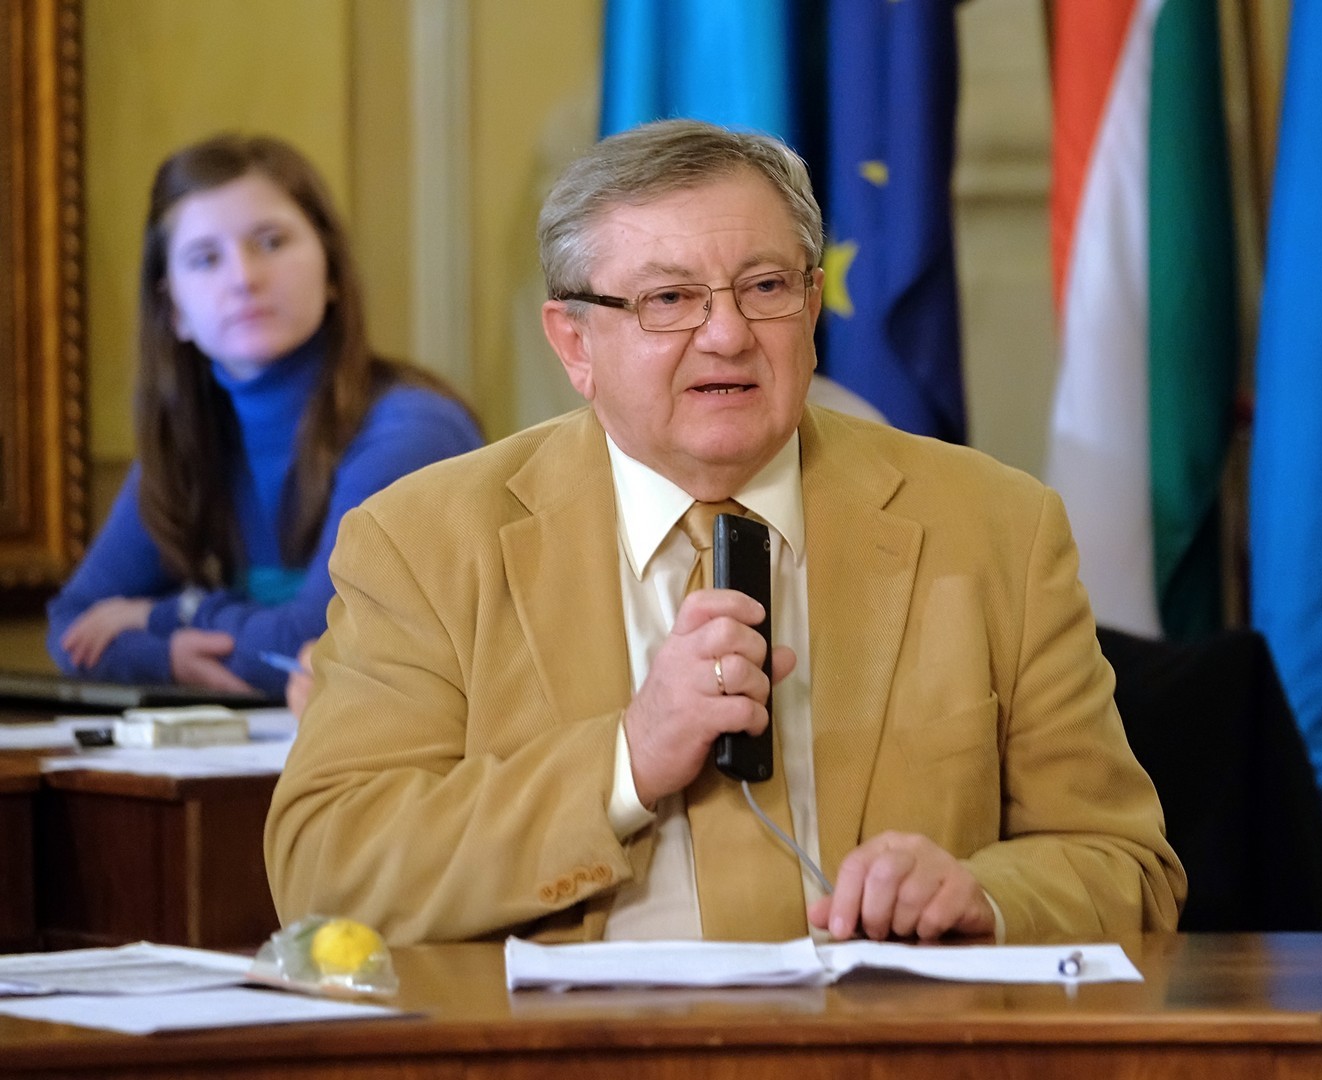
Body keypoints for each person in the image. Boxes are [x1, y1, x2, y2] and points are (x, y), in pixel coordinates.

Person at [266, 119, 1184, 945]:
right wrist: (625, 760)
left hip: (885, 1042)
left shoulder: (994, 528)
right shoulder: (424, 543)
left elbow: (1124, 865)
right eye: (668, 299)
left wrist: (982, 896)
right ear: (575, 343)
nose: (728, 335)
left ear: (812, 310)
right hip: (577, 1047)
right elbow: (329, 869)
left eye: (766, 287)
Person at [47, 134, 483, 699]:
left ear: (331, 270)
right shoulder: (189, 440)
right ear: (174, 308)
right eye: (206, 259)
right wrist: (169, 658)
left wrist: (164, 617)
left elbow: (320, 643)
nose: (243, 279)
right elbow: (73, 626)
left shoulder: (412, 428)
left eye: (271, 242)